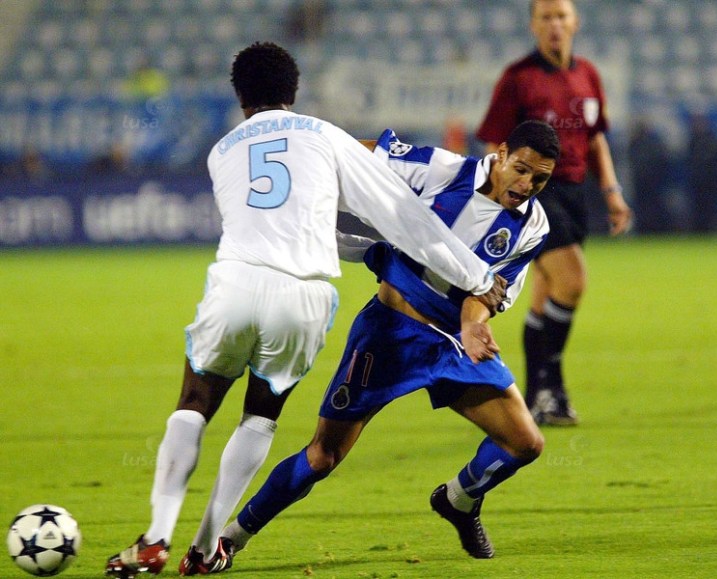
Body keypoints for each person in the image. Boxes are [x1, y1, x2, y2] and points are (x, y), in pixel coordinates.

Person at [104, 42, 506, 579]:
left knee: (195, 402)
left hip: (237, 281)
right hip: (304, 294)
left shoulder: (220, 152)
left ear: (240, 96)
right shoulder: (324, 135)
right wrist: (476, 276)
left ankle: (155, 537)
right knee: (260, 415)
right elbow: (400, 214)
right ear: (293, 91)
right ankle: (203, 548)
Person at [194, 119, 561, 569]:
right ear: (500, 154)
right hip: (389, 335)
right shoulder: (443, 170)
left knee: (525, 443)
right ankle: (231, 538)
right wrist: (301, 161)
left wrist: (472, 323)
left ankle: (459, 500)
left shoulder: (533, 225)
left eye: (540, 179)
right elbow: (359, 153)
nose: (527, 185)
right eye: (521, 169)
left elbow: (490, 291)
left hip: (452, 343)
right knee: (323, 455)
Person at [476, 0, 632, 426]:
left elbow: (595, 139)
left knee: (545, 294)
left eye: (561, 16)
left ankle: (537, 397)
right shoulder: (518, 78)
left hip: (575, 194)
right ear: (533, 25)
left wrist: (612, 192)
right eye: (545, 17)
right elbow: (495, 145)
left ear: (575, 22)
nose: (554, 25)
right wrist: (502, 196)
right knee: (572, 280)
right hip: (535, 194)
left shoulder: (588, 75)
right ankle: (552, 388)